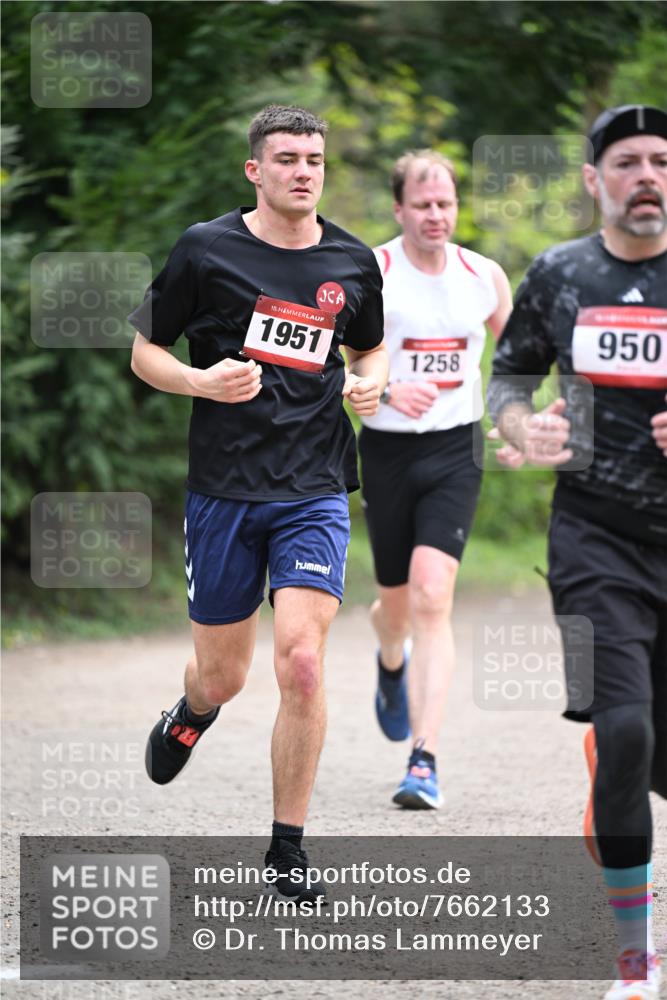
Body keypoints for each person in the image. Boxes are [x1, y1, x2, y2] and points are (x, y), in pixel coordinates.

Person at [128, 104, 388, 901]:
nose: (302, 172)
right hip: (224, 489)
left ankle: (287, 846)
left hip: (313, 488)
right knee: (224, 676)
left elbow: (369, 347)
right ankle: (191, 710)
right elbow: (144, 351)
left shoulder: (351, 261)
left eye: (313, 159)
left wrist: (369, 383)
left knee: (302, 661)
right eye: (286, 159)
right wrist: (200, 381)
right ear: (255, 170)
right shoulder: (206, 249)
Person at [487, 105, 667, 1000]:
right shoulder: (560, 273)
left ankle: (616, 779)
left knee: (645, 757)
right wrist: (525, 428)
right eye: (626, 162)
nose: (647, 176)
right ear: (595, 179)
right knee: (626, 730)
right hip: (597, 537)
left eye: (660, 161)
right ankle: (634, 961)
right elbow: (508, 379)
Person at [358, 150, 512, 809]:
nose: (434, 215)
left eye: (445, 203)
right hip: (387, 452)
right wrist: (389, 388)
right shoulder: (372, 271)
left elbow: (518, 355)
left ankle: (423, 760)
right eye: (421, 204)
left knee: (431, 595)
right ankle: (390, 660)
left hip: (455, 450)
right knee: (394, 609)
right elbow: (341, 361)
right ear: (399, 209)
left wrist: (516, 416)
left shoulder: (483, 276)